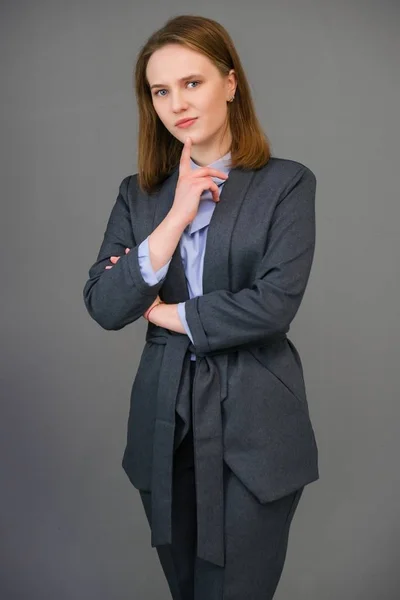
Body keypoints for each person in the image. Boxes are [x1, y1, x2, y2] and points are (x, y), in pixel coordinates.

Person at [83, 14, 319, 600]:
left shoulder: (286, 185)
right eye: (161, 90)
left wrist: (165, 312)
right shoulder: (137, 195)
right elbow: (105, 304)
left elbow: (273, 304)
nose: (176, 103)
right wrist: (176, 216)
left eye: (193, 82)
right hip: (165, 424)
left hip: (256, 428)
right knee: (186, 590)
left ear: (231, 83)